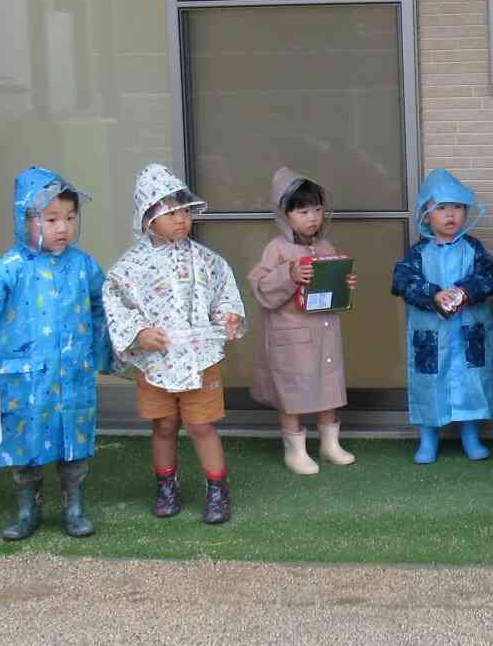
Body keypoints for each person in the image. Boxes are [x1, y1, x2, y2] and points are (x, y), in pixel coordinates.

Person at [0, 167, 113, 540]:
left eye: (70, 218)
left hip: (72, 373)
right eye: (51, 219)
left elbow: (104, 308)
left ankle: (75, 508)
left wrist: (105, 355)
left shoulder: (83, 266)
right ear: (26, 220)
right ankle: (27, 510)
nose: (62, 228)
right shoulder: (10, 267)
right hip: (23, 377)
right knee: (24, 443)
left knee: (75, 443)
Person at [103, 164, 246, 523]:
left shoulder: (207, 260)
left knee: (201, 425)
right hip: (156, 361)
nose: (181, 220)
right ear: (147, 218)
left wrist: (229, 316)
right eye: (169, 213)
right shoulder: (130, 266)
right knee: (164, 425)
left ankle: (217, 489)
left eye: (184, 211)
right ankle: (166, 485)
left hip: (200, 358)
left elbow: (224, 294)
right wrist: (138, 333)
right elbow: (115, 300)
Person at [249, 166, 359, 475]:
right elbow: (260, 286)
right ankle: (295, 450)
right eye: (302, 211)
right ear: (283, 214)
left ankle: (329, 443)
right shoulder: (277, 249)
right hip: (290, 335)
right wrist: (290, 274)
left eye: (317, 209)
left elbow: (329, 286)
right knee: (292, 391)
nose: (312, 217)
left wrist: (342, 284)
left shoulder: (325, 247)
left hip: (323, 330)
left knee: (328, 385)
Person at [391, 169, 493, 464]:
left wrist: (467, 290)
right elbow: (401, 281)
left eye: (457, 207)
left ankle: (471, 436)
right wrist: (432, 293)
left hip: (468, 333)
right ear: (426, 215)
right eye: (441, 208)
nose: (450, 214)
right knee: (428, 383)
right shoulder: (417, 254)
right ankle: (428, 440)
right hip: (431, 333)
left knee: (471, 382)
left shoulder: (473, 249)